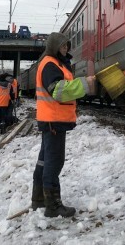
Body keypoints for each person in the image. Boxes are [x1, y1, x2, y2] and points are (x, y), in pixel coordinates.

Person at [31, 32, 96, 218]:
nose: (65, 48)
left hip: (51, 119)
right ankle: (53, 205)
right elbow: (58, 91)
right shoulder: (51, 64)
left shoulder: (54, 63)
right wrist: (85, 84)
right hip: (54, 120)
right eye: (62, 46)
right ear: (54, 46)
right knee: (54, 161)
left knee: (44, 160)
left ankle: (38, 199)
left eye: (67, 45)